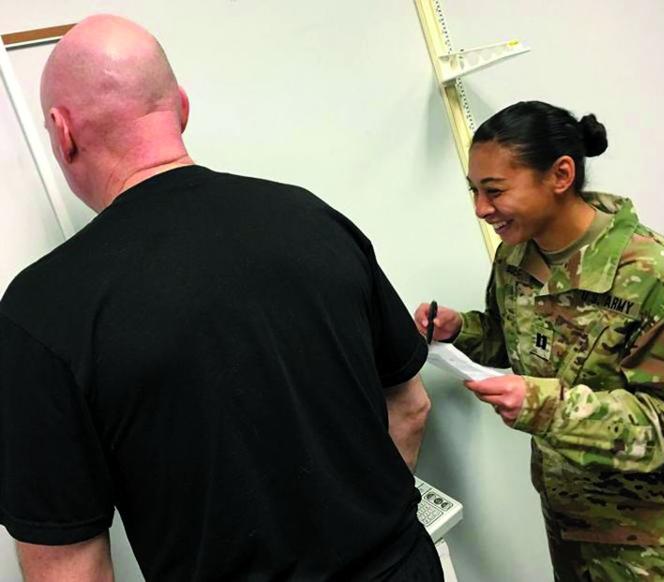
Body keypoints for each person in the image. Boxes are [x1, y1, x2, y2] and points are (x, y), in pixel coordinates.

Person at [0, 15, 443, 581]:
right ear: (181, 108)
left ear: (63, 132)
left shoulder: (40, 311)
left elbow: (69, 566)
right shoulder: (311, 217)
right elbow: (411, 407)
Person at [415, 101, 664, 581]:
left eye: (495, 191)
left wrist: (543, 405)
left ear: (561, 174)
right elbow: (519, 343)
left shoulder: (663, 279)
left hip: (662, 545)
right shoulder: (516, 258)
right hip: (571, 529)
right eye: (475, 191)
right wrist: (460, 330)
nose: (482, 209)